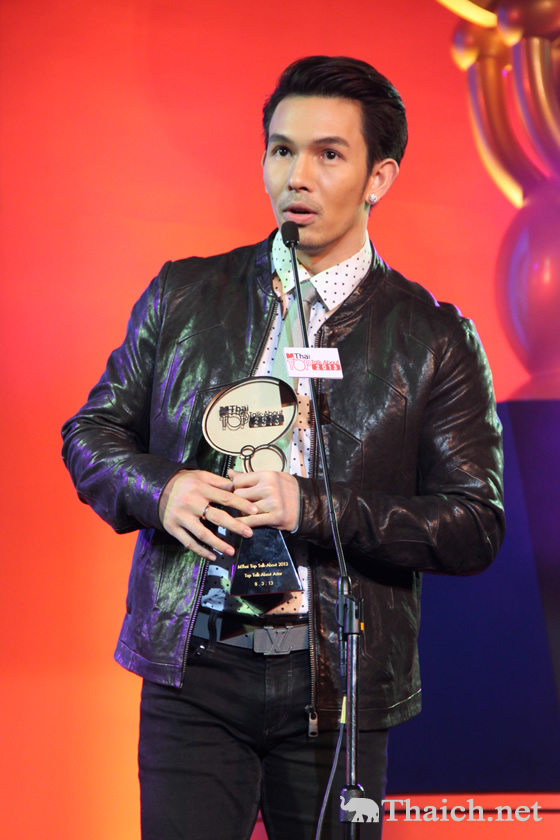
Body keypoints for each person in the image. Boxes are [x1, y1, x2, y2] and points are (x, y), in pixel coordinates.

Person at [61, 55, 505, 839]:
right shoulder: (184, 294)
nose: (296, 175)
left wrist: (314, 507)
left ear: (378, 177)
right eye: (281, 149)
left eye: (328, 154)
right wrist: (162, 490)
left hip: (337, 681)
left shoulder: (434, 338)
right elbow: (91, 434)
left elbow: (473, 523)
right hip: (196, 667)